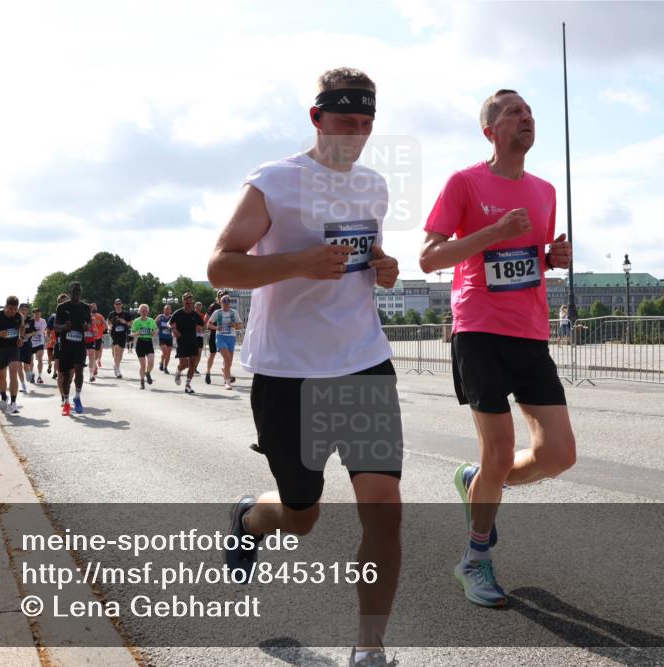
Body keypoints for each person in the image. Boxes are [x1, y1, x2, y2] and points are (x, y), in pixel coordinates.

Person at [207, 67, 402, 667]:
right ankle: (250, 517)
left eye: (367, 122)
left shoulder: (372, 186)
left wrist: (383, 265)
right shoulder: (274, 182)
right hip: (288, 372)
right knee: (302, 517)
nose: (358, 132)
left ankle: (369, 650)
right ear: (317, 118)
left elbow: (363, 255)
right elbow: (221, 267)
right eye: (346, 120)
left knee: (385, 514)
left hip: (363, 363)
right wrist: (295, 263)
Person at [418, 89, 576, 608]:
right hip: (479, 329)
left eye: (530, 111)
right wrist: (491, 231)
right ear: (490, 130)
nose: (526, 117)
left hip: (529, 331)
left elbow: (526, 259)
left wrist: (552, 258)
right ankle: (475, 559)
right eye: (513, 112)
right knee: (500, 448)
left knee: (559, 454)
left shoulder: (546, 191)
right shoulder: (464, 182)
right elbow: (428, 259)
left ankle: (479, 482)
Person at [55, 282, 92, 416]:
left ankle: (77, 397)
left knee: (79, 370)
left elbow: (89, 325)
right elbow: (56, 327)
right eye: (74, 291)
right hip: (66, 345)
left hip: (79, 345)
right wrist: (64, 326)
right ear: (70, 292)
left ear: (80, 292)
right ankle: (66, 402)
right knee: (65, 375)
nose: (76, 293)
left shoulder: (85, 308)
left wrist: (86, 326)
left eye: (78, 290)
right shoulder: (62, 307)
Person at [169, 293, 204, 394]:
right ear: (183, 302)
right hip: (182, 341)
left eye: (191, 303)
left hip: (193, 341)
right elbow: (169, 323)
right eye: (187, 303)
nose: (189, 305)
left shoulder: (195, 315)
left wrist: (200, 328)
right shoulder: (178, 313)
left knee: (193, 364)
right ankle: (178, 372)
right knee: (184, 364)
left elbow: (202, 324)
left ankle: (188, 385)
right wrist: (174, 329)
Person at [207, 294, 242, 390]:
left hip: (231, 337)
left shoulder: (234, 312)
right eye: (224, 301)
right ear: (220, 302)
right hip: (221, 337)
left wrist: (234, 325)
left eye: (228, 301)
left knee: (229, 362)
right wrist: (216, 327)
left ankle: (225, 372)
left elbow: (239, 326)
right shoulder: (217, 312)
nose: (226, 303)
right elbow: (209, 325)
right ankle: (227, 382)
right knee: (227, 360)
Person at [130, 304, 157, 390]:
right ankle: (142, 381)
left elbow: (156, 329)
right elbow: (132, 333)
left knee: (151, 363)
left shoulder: (151, 320)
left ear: (148, 311)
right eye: (142, 311)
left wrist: (154, 333)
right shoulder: (136, 321)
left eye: (145, 310)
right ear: (139, 312)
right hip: (140, 343)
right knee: (143, 365)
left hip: (149, 343)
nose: (144, 312)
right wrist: (137, 333)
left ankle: (148, 373)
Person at [107, 299, 132, 378]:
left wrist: (124, 322)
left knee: (120, 353)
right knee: (117, 350)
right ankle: (117, 369)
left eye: (119, 304)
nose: (118, 305)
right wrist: (109, 327)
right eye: (116, 304)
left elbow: (131, 323)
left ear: (121, 305)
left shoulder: (126, 314)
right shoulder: (112, 314)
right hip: (114, 334)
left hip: (123, 334)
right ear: (114, 305)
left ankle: (116, 365)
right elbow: (108, 322)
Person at [16, 303, 37, 393]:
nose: (23, 310)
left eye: (25, 309)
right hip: (17, 345)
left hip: (27, 344)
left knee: (26, 365)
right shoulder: (15, 319)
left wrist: (28, 334)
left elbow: (34, 331)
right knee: (18, 365)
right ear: (19, 309)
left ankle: (30, 374)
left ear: (28, 311)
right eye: (22, 309)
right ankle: (23, 385)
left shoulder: (31, 320)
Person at [155, 304, 174, 374]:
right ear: (164, 310)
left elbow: (176, 325)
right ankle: (161, 362)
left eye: (169, 309)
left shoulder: (172, 317)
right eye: (166, 309)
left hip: (169, 337)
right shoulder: (160, 317)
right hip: (162, 337)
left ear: (170, 310)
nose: (167, 310)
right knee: (165, 352)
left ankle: (165, 368)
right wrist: (156, 329)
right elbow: (153, 324)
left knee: (168, 354)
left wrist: (172, 328)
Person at [31, 307, 47, 383]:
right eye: (35, 314)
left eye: (38, 314)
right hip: (31, 343)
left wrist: (33, 331)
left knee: (40, 359)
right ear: (33, 314)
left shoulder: (43, 321)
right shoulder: (30, 321)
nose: (37, 315)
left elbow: (41, 330)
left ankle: (39, 376)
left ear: (40, 314)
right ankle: (31, 375)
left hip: (40, 342)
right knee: (30, 360)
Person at [194, 301, 207, 374]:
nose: (198, 308)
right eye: (197, 307)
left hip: (200, 336)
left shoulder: (203, 315)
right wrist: (195, 327)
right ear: (195, 307)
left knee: (199, 353)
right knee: (193, 353)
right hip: (192, 336)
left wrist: (202, 328)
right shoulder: (191, 314)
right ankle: (191, 365)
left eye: (200, 307)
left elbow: (205, 325)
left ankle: (195, 367)